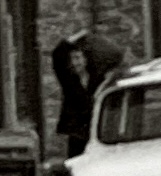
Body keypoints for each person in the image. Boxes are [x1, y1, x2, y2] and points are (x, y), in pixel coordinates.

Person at [52, 29, 125, 158]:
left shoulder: (98, 79)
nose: (74, 63)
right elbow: (58, 55)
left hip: (98, 132)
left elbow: (116, 55)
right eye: (71, 60)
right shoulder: (69, 81)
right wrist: (76, 37)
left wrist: (91, 39)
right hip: (77, 133)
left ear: (86, 58)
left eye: (77, 58)